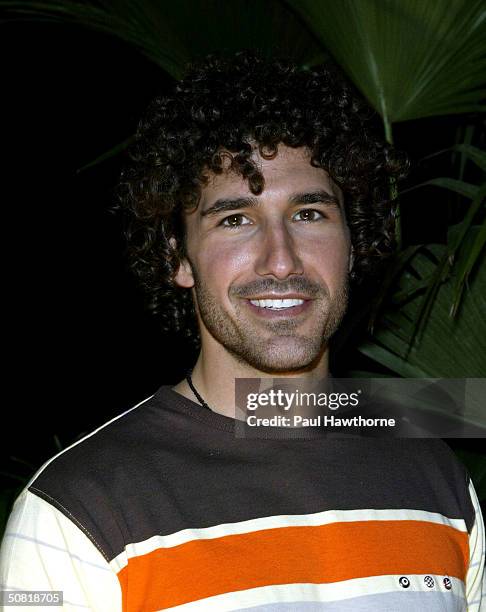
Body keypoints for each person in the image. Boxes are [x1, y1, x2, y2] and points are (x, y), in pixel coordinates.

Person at [1, 51, 484, 611]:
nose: (280, 261)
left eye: (309, 214)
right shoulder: (80, 511)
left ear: (353, 242)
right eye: (235, 220)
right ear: (178, 257)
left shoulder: (435, 476)